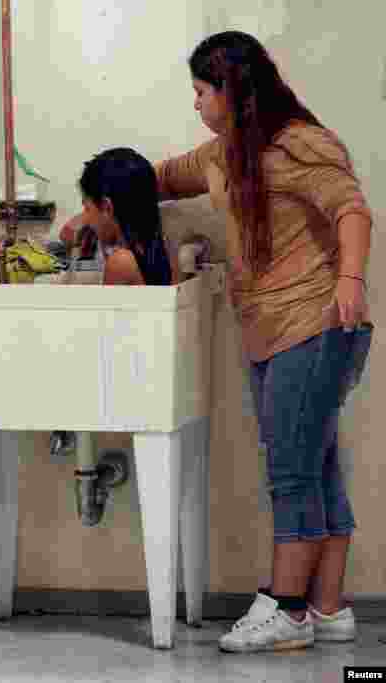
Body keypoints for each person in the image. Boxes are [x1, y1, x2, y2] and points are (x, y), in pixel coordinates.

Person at [62, 30, 374, 654]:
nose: (198, 103)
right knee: (315, 463)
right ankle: (328, 606)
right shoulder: (220, 154)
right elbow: (155, 178)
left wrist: (349, 276)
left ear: (236, 90)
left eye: (204, 91)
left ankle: (285, 611)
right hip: (270, 328)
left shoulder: (300, 145)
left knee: (291, 471)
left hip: (312, 323)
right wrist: (91, 214)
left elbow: (350, 208)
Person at [76, 147, 178, 286]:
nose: (87, 220)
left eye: (87, 208)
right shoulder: (167, 249)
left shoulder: (120, 262)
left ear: (107, 208)